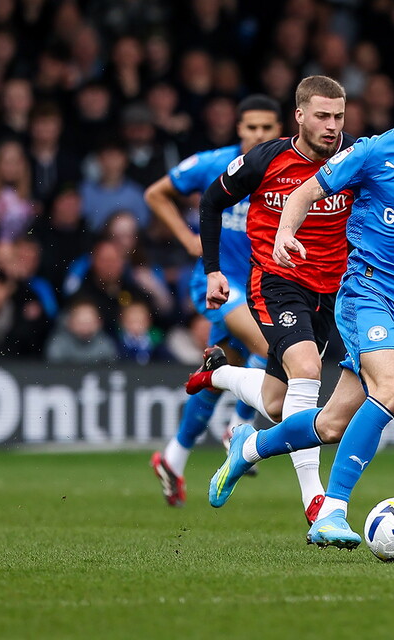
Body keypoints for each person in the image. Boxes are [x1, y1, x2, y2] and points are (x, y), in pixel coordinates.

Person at [203, 56, 394, 549]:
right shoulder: (372, 154)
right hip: (367, 292)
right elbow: (302, 192)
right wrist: (285, 235)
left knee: (334, 422)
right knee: (393, 390)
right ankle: (330, 510)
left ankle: (249, 447)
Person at [184, 77, 355, 523]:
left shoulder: (355, 159)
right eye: (322, 116)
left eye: (338, 116)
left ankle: (218, 375)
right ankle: (316, 503)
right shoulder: (266, 158)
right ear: (299, 116)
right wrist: (213, 270)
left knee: (281, 404)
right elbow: (209, 203)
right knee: (308, 370)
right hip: (275, 282)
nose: (332, 126)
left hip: (329, 291)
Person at [146, 95, 283, 507]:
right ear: (238, 130)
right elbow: (156, 194)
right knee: (272, 348)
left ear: (279, 129)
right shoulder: (212, 164)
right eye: (251, 128)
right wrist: (188, 239)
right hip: (218, 285)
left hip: (262, 287)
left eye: (267, 128)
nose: (259, 135)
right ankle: (238, 430)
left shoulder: (285, 169)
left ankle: (173, 458)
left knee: (218, 372)